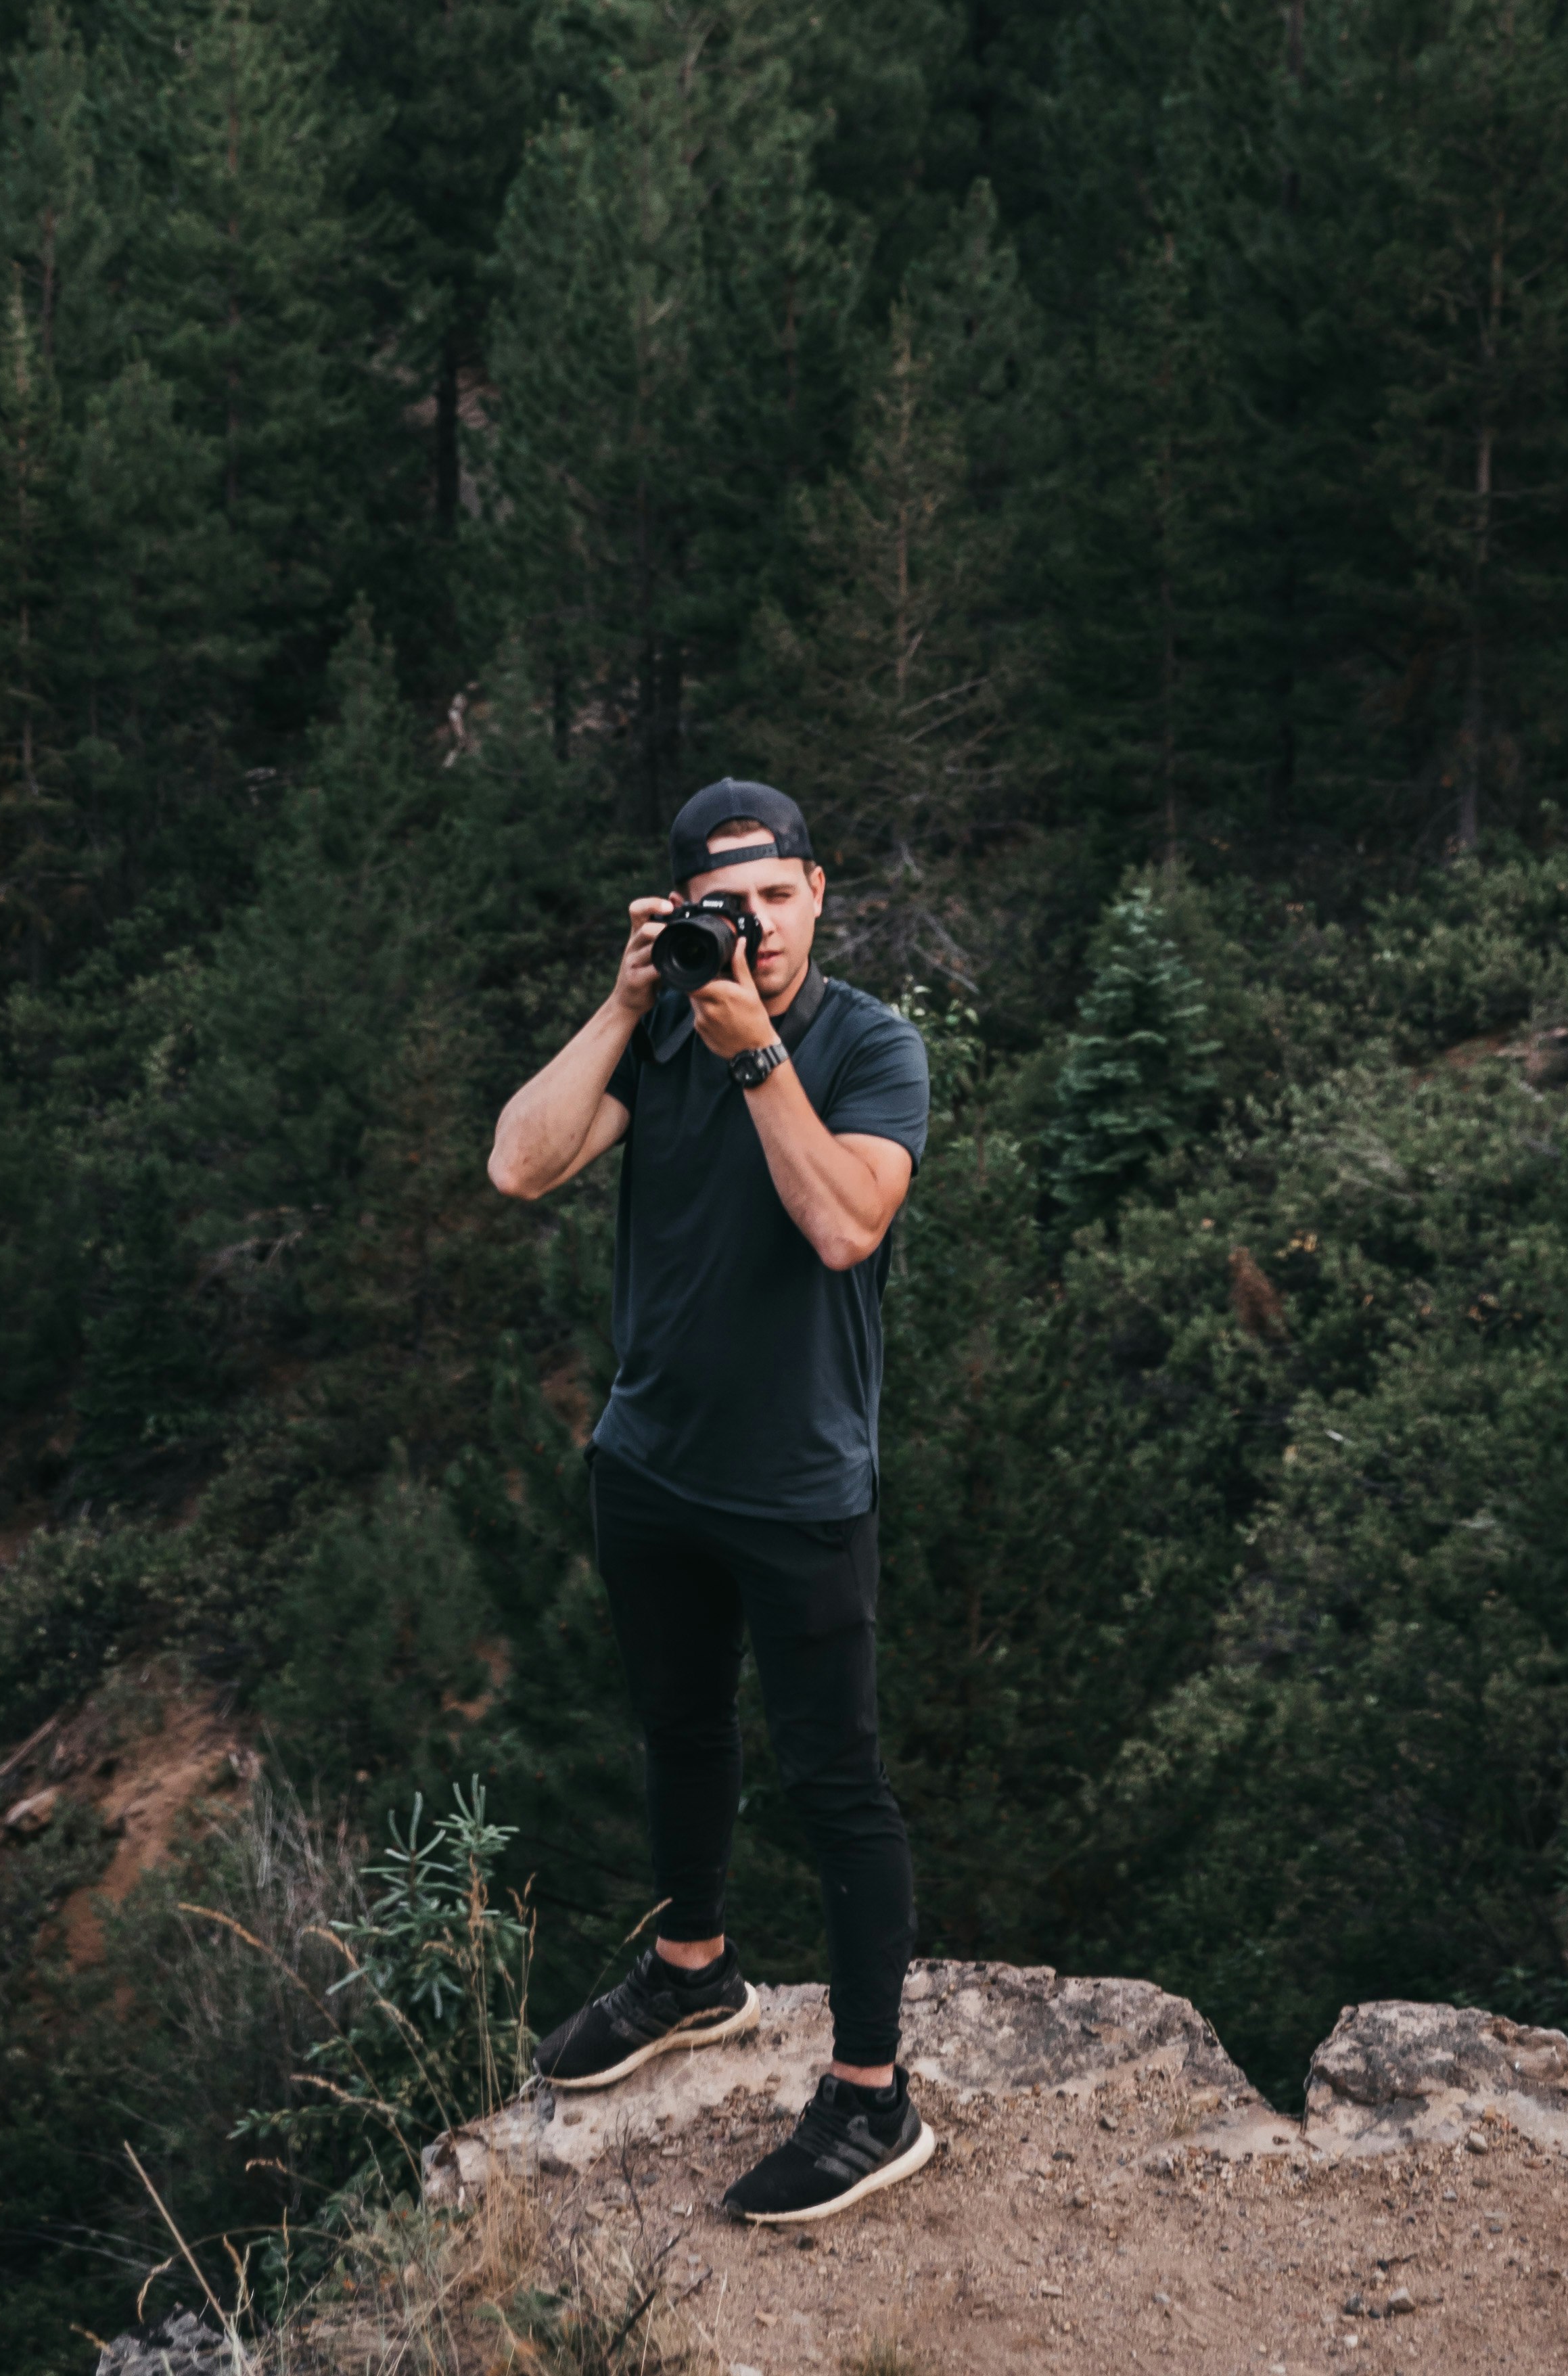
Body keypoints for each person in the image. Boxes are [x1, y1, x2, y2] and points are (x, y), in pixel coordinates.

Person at [486, 775, 935, 2227]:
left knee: (834, 1784)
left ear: (819, 890)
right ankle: (694, 1972)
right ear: (684, 912)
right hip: (650, 1463)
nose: (757, 928)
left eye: (778, 896)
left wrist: (753, 1060)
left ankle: (871, 2102)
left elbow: (841, 1221)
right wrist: (627, 1007)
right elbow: (517, 1162)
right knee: (677, 1730)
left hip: (796, 1482)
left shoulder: (871, 1047)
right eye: (722, 907)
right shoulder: (664, 1025)